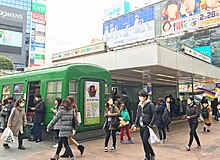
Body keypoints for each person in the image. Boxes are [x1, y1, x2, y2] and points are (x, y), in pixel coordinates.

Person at [132, 90, 156, 160]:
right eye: (139, 96)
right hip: (141, 126)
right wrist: (135, 125)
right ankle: (148, 155)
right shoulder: (139, 105)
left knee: (145, 140)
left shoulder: (150, 105)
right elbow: (138, 115)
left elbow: (154, 115)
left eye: (141, 96)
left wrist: (150, 125)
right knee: (143, 141)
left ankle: (151, 154)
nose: (139, 98)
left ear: (145, 97)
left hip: (147, 126)